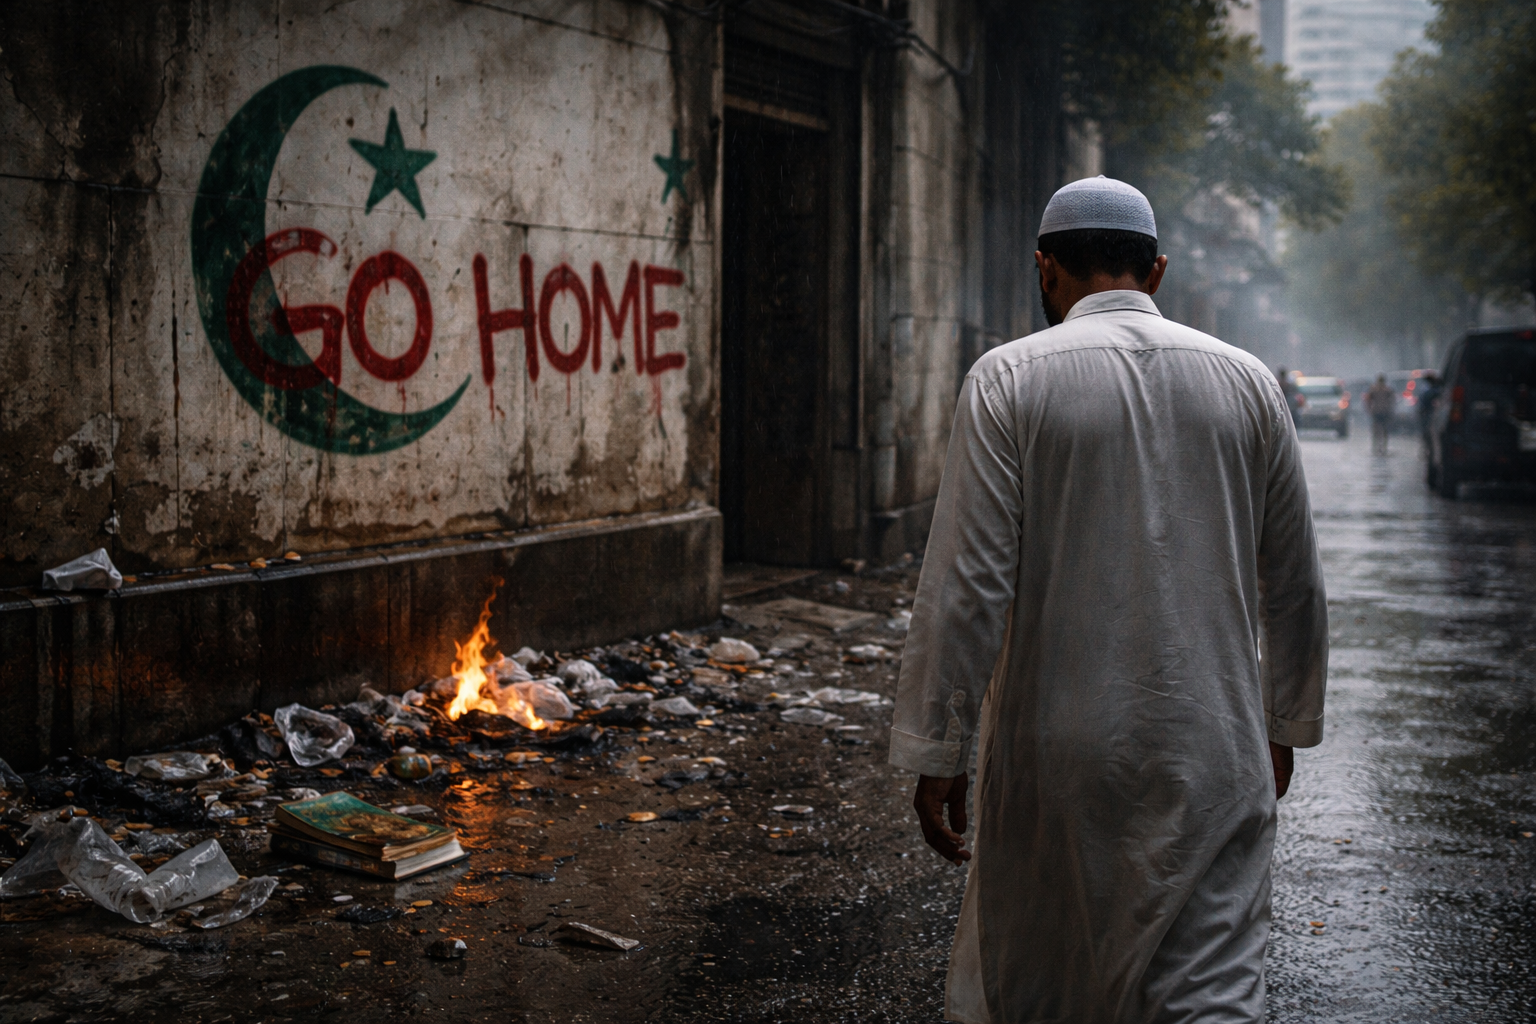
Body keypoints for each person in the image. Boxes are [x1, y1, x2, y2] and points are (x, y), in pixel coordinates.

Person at [890, 176, 1328, 1024]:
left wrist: (938, 747)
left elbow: (967, 585)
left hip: (1054, 751)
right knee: (1210, 989)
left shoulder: (1007, 380)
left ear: (1045, 269)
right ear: (1155, 271)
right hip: (1215, 747)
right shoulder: (1249, 383)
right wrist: (1284, 724)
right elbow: (1297, 583)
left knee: (1040, 986)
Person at [1364, 374, 1396, 454]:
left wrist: (1369, 409)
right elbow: (1393, 400)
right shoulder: (1387, 390)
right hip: (1384, 412)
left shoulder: (1374, 389)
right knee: (1384, 430)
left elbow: (1367, 400)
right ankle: (1383, 447)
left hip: (1377, 412)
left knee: (1377, 430)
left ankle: (1377, 447)